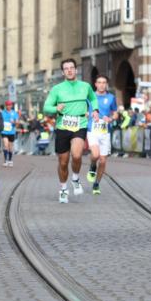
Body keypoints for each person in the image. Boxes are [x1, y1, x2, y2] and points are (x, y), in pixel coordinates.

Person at [43, 58, 98, 203]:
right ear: (63, 72)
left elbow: (93, 99)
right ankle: (63, 189)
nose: (69, 70)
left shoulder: (85, 86)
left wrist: (95, 110)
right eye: (66, 68)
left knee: (77, 155)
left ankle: (75, 178)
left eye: (71, 67)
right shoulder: (57, 89)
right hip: (62, 126)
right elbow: (46, 107)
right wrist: (56, 108)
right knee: (63, 162)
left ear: (76, 70)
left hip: (80, 123)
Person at [86, 74, 117, 195]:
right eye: (99, 82)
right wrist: (88, 115)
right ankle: (93, 166)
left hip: (105, 132)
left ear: (106, 84)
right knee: (95, 154)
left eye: (104, 82)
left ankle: (96, 184)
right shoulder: (90, 97)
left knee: (103, 161)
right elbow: (84, 112)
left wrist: (111, 118)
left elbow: (115, 113)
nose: (101, 84)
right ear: (95, 84)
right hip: (92, 130)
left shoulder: (111, 97)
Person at [1, 100, 20, 166]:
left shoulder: (14, 113)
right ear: (5, 106)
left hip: (11, 132)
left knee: (10, 147)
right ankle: (5, 160)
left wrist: (14, 122)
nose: (9, 106)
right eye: (7, 105)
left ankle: (10, 160)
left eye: (10, 105)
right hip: (4, 131)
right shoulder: (2, 113)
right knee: (5, 145)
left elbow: (17, 123)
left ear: (11, 106)